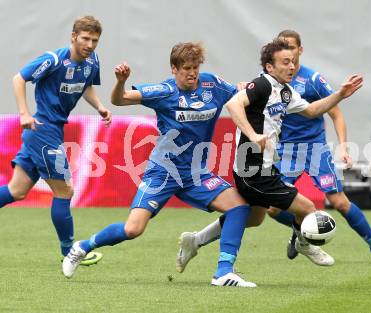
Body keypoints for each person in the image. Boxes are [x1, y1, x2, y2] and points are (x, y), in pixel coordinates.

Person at [62, 42, 256, 288]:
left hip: (196, 173)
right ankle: (81, 247)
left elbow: (241, 95)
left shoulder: (212, 85)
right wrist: (121, 81)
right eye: (186, 68)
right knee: (133, 229)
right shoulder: (164, 91)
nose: (192, 73)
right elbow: (120, 100)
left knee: (239, 207)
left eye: (195, 67)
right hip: (164, 172)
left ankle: (223, 272)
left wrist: (249, 88)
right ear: (174, 69)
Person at [175, 38, 363, 274]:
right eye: (285, 62)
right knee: (307, 209)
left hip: (263, 167)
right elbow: (234, 105)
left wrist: (340, 94)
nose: (292, 66)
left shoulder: (285, 92)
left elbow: (312, 110)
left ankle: (196, 240)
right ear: (269, 67)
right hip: (252, 169)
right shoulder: (262, 85)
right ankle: (303, 244)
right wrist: (252, 134)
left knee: (254, 218)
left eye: (293, 62)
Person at [266, 30, 371, 264]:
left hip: (315, 150)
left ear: (300, 50)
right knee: (272, 207)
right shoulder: (271, 79)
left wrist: (343, 146)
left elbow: (336, 113)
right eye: (283, 48)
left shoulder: (313, 80)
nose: (288, 53)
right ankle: (301, 232)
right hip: (287, 151)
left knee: (340, 202)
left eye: (292, 47)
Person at [0, 16, 110, 265]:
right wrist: (24, 113)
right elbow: (19, 78)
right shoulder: (53, 59)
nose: (90, 44)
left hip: (48, 131)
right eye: (85, 38)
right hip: (42, 130)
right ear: (73, 37)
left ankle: (67, 250)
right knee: (65, 190)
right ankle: (68, 251)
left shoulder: (92, 61)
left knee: (16, 191)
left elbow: (86, 86)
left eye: (94, 40)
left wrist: (100, 107)